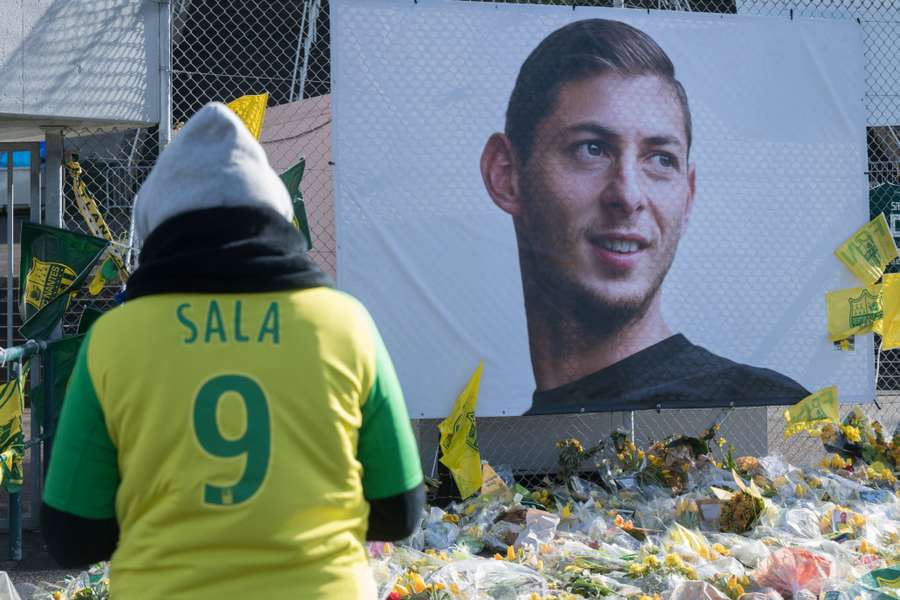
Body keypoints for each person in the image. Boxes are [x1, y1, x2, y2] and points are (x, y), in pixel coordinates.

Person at [41, 103, 424, 598]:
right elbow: (399, 510)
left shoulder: (114, 338)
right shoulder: (345, 324)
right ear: (279, 218)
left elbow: (72, 536)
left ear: (156, 227)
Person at [480, 19, 809, 415]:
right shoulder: (490, 458)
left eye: (659, 159)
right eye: (592, 149)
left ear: (687, 197)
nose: (628, 195)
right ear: (506, 174)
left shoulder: (768, 411)